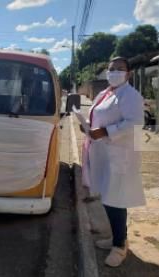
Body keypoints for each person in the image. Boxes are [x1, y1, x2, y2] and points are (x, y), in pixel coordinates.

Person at [81, 57, 145, 267]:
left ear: (128, 74)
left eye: (120, 69)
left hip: (120, 156)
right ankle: (118, 237)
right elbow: (98, 117)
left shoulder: (131, 95)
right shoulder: (105, 93)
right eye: (111, 69)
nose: (114, 72)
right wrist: (88, 126)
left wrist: (106, 131)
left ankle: (119, 246)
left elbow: (135, 122)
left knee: (116, 200)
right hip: (104, 154)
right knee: (108, 198)